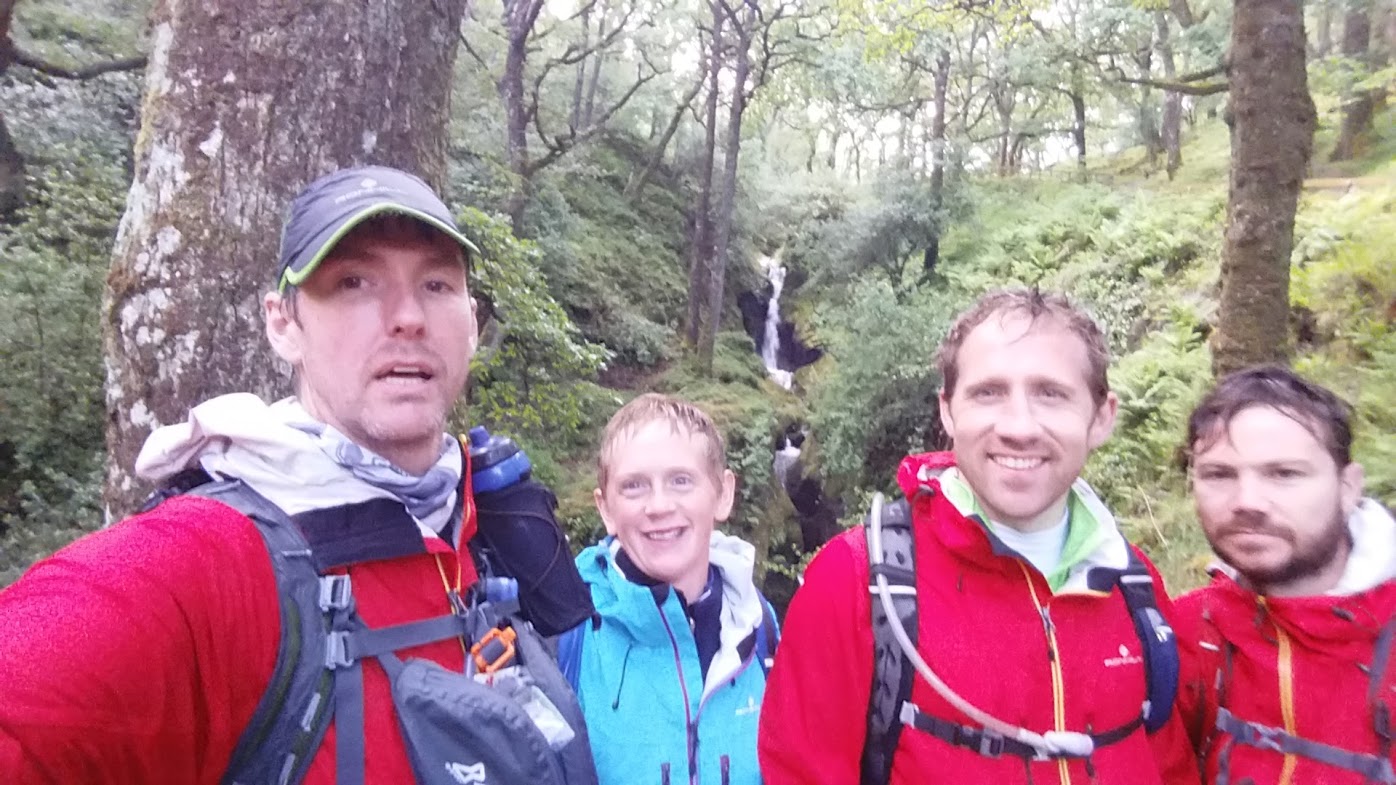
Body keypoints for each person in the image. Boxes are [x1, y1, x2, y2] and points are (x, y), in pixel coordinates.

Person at [0, 165, 596, 785]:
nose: (408, 316)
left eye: (436, 284)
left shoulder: (486, 518)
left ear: (470, 324)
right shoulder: (200, 561)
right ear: (283, 324)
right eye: (354, 282)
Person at [758, 289, 1198, 784]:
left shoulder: (1136, 587)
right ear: (948, 412)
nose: (1019, 427)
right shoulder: (854, 581)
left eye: (1050, 394)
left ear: (1101, 418)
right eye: (988, 392)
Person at [1174, 366, 1396, 784]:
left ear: (1348, 487)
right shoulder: (1184, 634)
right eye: (1219, 474)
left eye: (1284, 474)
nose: (1248, 501)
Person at [565, 393, 776, 785]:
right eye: (634, 486)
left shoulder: (758, 624)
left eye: (681, 481)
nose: (659, 505)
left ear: (723, 493)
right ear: (605, 508)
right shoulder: (568, 629)